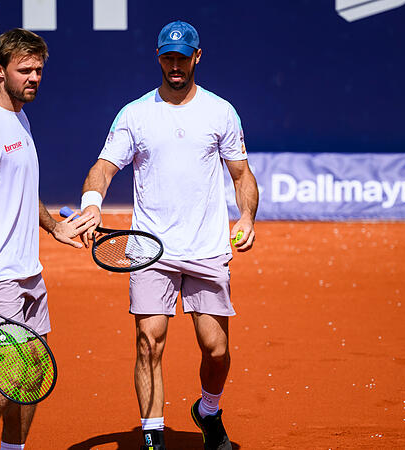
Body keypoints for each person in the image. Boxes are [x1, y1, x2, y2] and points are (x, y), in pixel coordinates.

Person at [79, 20, 259, 450]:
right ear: (159, 58)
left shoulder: (221, 111)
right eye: (167, 58)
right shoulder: (135, 114)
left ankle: (208, 411)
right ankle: (153, 436)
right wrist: (91, 203)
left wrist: (247, 216)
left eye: (182, 57)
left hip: (206, 248)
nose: (174, 65)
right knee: (148, 344)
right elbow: (103, 168)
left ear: (197, 57)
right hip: (150, 248)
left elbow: (242, 175)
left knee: (215, 350)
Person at [0, 28, 95, 450]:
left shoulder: (19, 117)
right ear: (0, 70)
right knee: (6, 379)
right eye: (24, 70)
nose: (33, 78)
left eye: (38, 70)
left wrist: (54, 227)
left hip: (28, 271)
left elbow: (21, 192)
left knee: (31, 373)